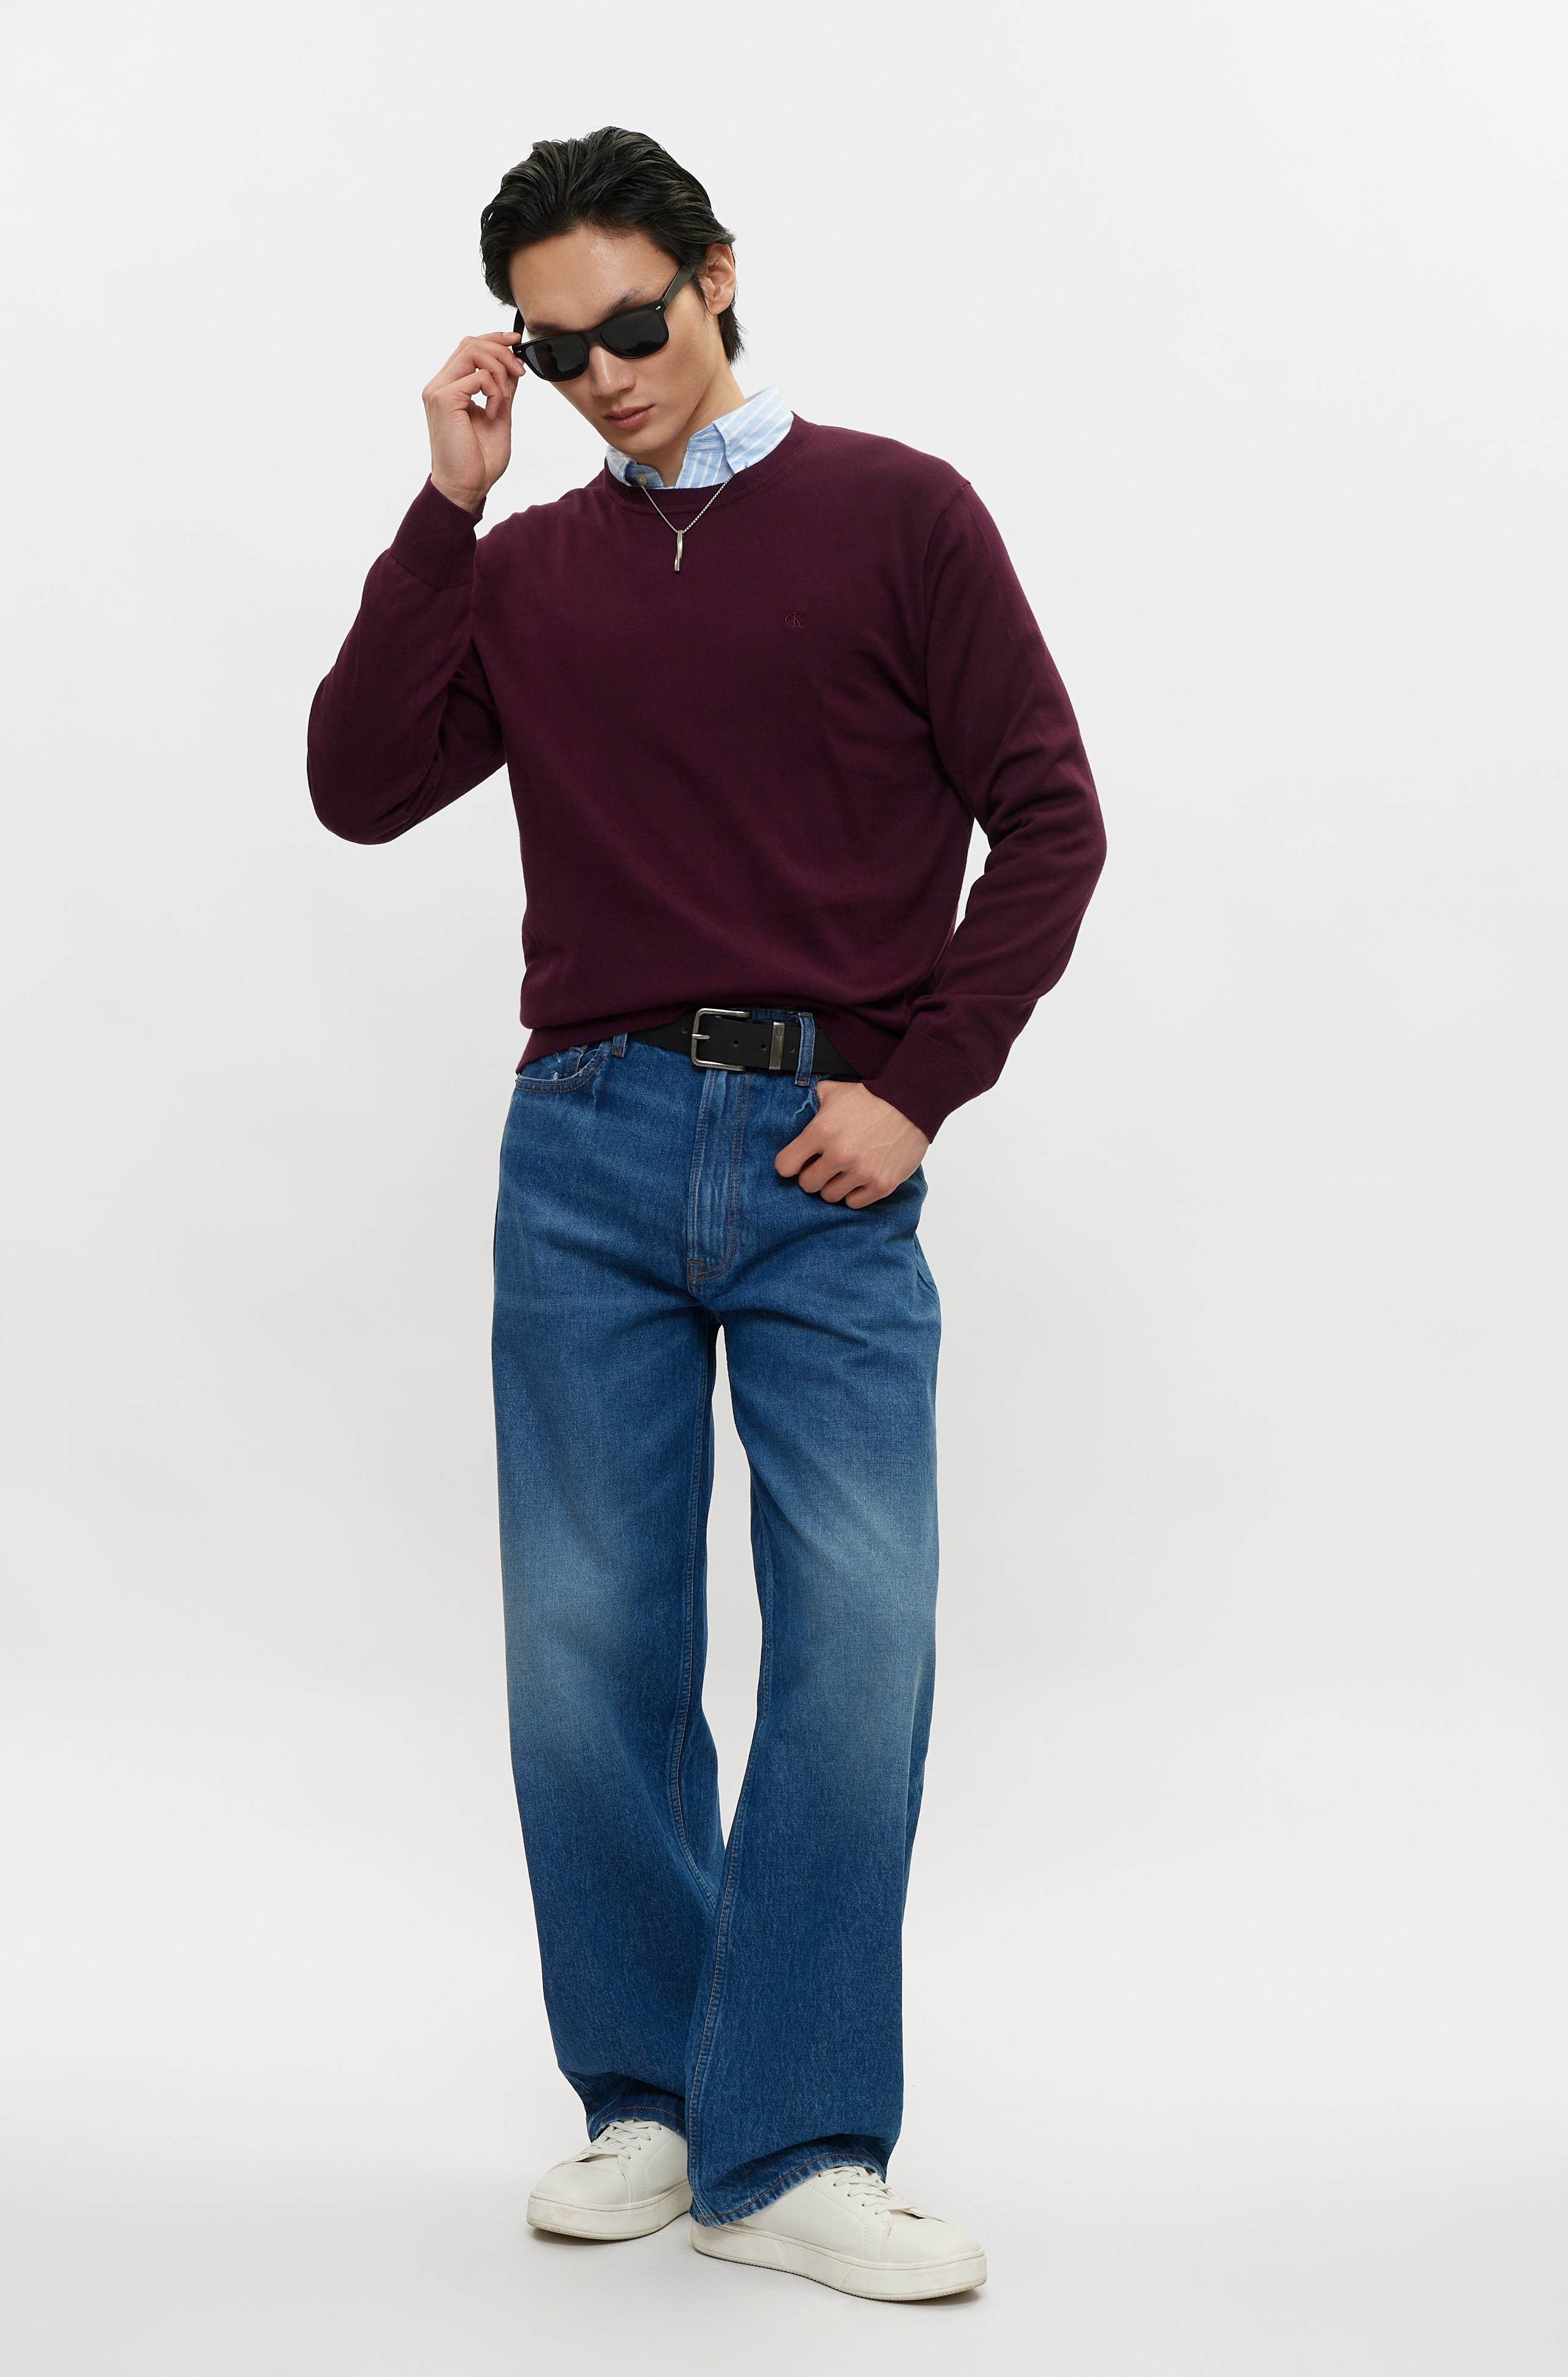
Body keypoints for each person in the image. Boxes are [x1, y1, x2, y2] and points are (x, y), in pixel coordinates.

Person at [306, 124, 1107, 2304]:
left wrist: (917, 1088)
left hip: (823, 1149)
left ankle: (798, 2137)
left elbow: (1048, 818)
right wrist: (450, 503)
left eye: (631, 325)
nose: (604, 376)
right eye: (556, 351)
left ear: (717, 275)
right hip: (577, 1143)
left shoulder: (899, 513)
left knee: (860, 1633)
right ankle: (655, 2099)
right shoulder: (530, 569)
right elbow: (359, 783)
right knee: (588, 1645)